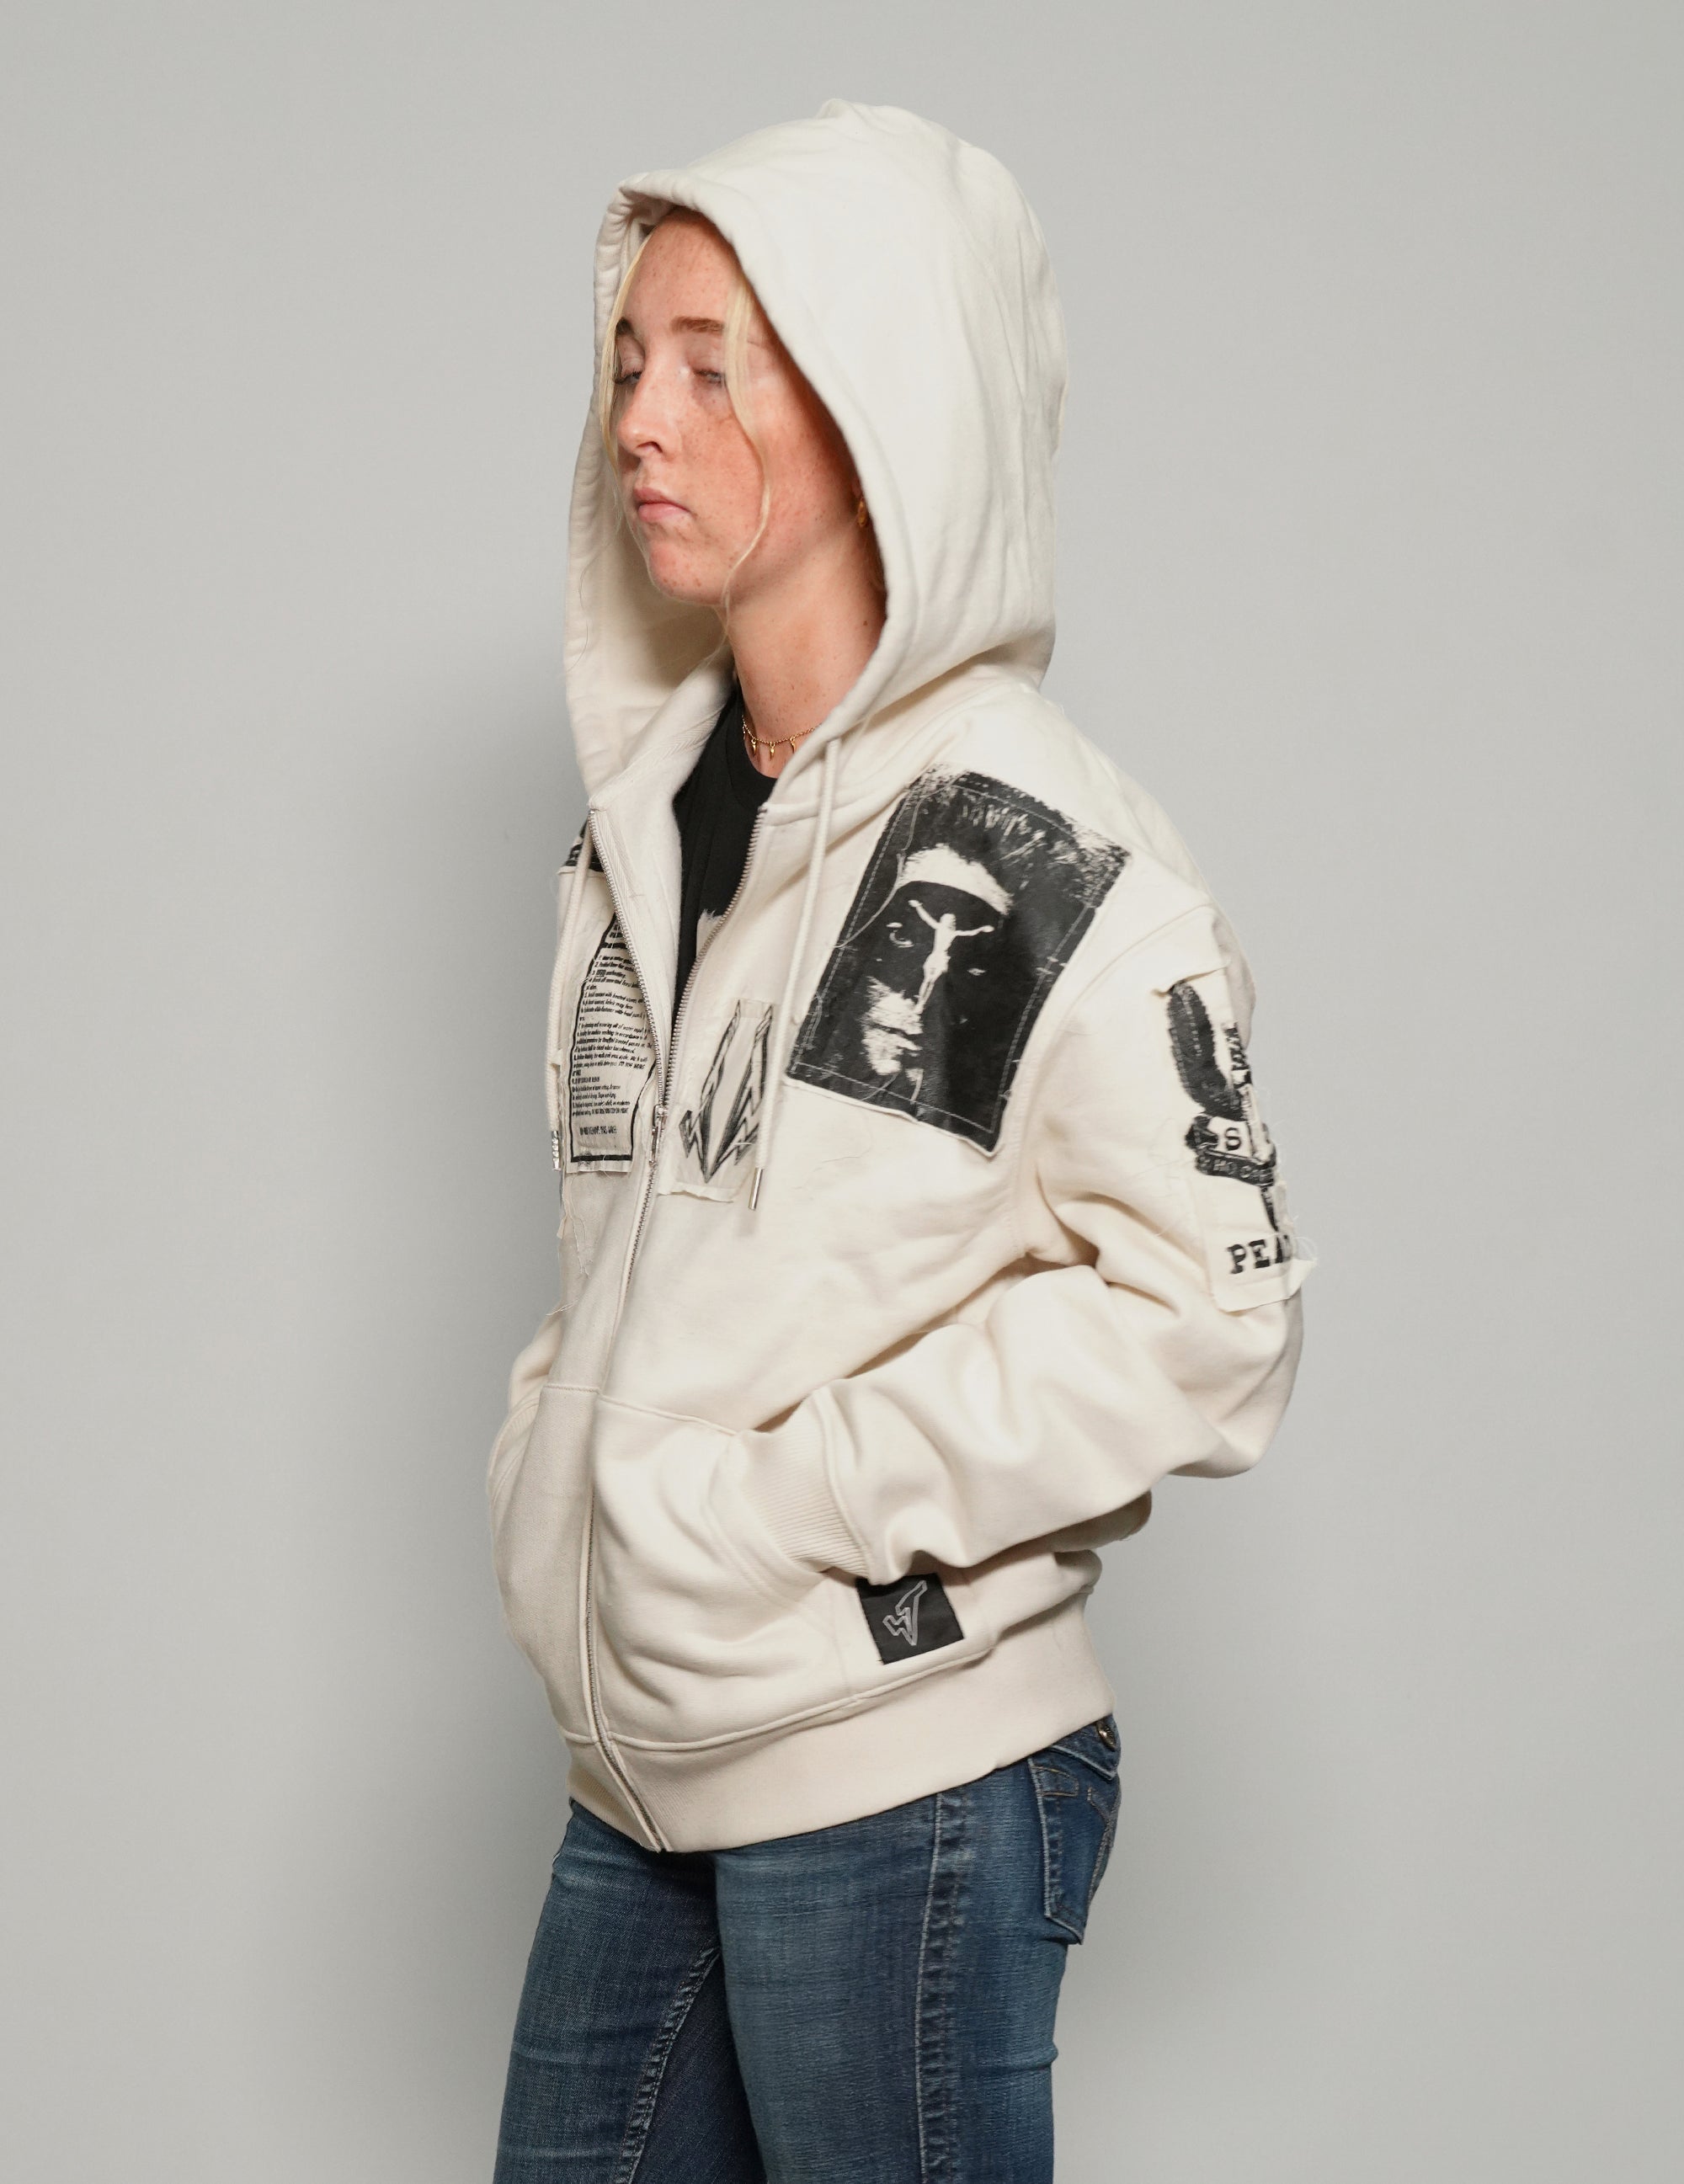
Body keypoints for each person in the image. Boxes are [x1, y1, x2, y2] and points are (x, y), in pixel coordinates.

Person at [487, 101, 1312, 2182]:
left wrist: (785, 1502)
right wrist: (558, 1459)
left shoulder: (1031, 849)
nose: (638, 423)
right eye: (627, 363)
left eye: (711, 368)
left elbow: (1209, 1324)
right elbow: (651, 1253)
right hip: (647, 1754)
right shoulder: (640, 827)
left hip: (898, 1778)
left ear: (882, 411)